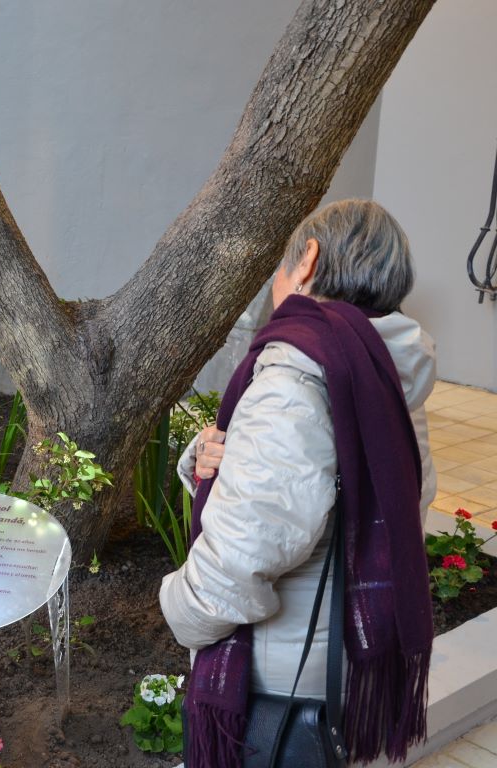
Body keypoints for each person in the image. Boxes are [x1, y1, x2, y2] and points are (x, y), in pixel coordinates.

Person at [159, 199, 437, 767]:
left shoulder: (296, 372)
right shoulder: (385, 371)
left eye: (281, 267)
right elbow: (351, 493)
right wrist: (211, 461)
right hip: (337, 663)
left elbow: (246, 550)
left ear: (307, 259)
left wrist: (179, 610)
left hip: (274, 679)